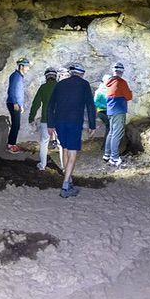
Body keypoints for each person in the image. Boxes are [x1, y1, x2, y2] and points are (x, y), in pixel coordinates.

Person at [47, 63, 96, 198]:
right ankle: (65, 186)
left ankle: (68, 177)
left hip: (59, 122)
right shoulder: (84, 84)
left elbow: (50, 105)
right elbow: (90, 106)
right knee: (73, 153)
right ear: (81, 73)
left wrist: (50, 124)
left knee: (65, 148)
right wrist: (92, 125)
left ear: (71, 73)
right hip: (74, 123)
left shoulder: (60, 84)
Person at [28, 67, 60, 170]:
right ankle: (64, 167)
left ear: (46, 77)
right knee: (61, 144)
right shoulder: (60, 86)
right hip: (60, 119)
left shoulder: (43, 87)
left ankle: (42, 165)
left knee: (44, 142)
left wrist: (31, 117)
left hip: (46, 119)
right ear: (55, 77)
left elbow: (36, 104)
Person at [104, 62, 133, 166]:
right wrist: (130, 92)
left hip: (110, 111)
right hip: (119, 111)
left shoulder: (109, 82)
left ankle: (107, 154)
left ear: (113, 71)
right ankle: (114, 158)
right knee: (117, 134)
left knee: (111, 133)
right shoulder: (121, 82)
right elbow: (129, 97)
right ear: (122, 71)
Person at [6, 57, 30, 154]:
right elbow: (11, 90)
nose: (28, 68)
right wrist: (15, 103)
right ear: (21, 66)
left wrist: (21, 105)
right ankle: (11, 145)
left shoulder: (19, 76)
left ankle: (12, 144)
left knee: (16, 125)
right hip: (13, 103)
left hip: (15, 104)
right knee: (16, 125)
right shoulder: (16, 76)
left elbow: (18, 91)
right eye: (27, 66)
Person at [94, 74, 111, 159]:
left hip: (109, 111)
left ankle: (105, 147)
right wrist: (106, 106)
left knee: (110, 128)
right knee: (110, 127)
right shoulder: (99, 91)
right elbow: (96, 102)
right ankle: (106, 147)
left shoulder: (110, 89)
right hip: (102, 111)